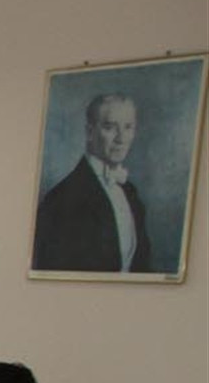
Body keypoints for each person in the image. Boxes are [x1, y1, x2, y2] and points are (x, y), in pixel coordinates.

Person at [32, 93, 153, 274]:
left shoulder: (131, 193)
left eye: (128, 127)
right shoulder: (61, 199)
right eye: (110, 127)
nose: (121, 139)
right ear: (89, 132)